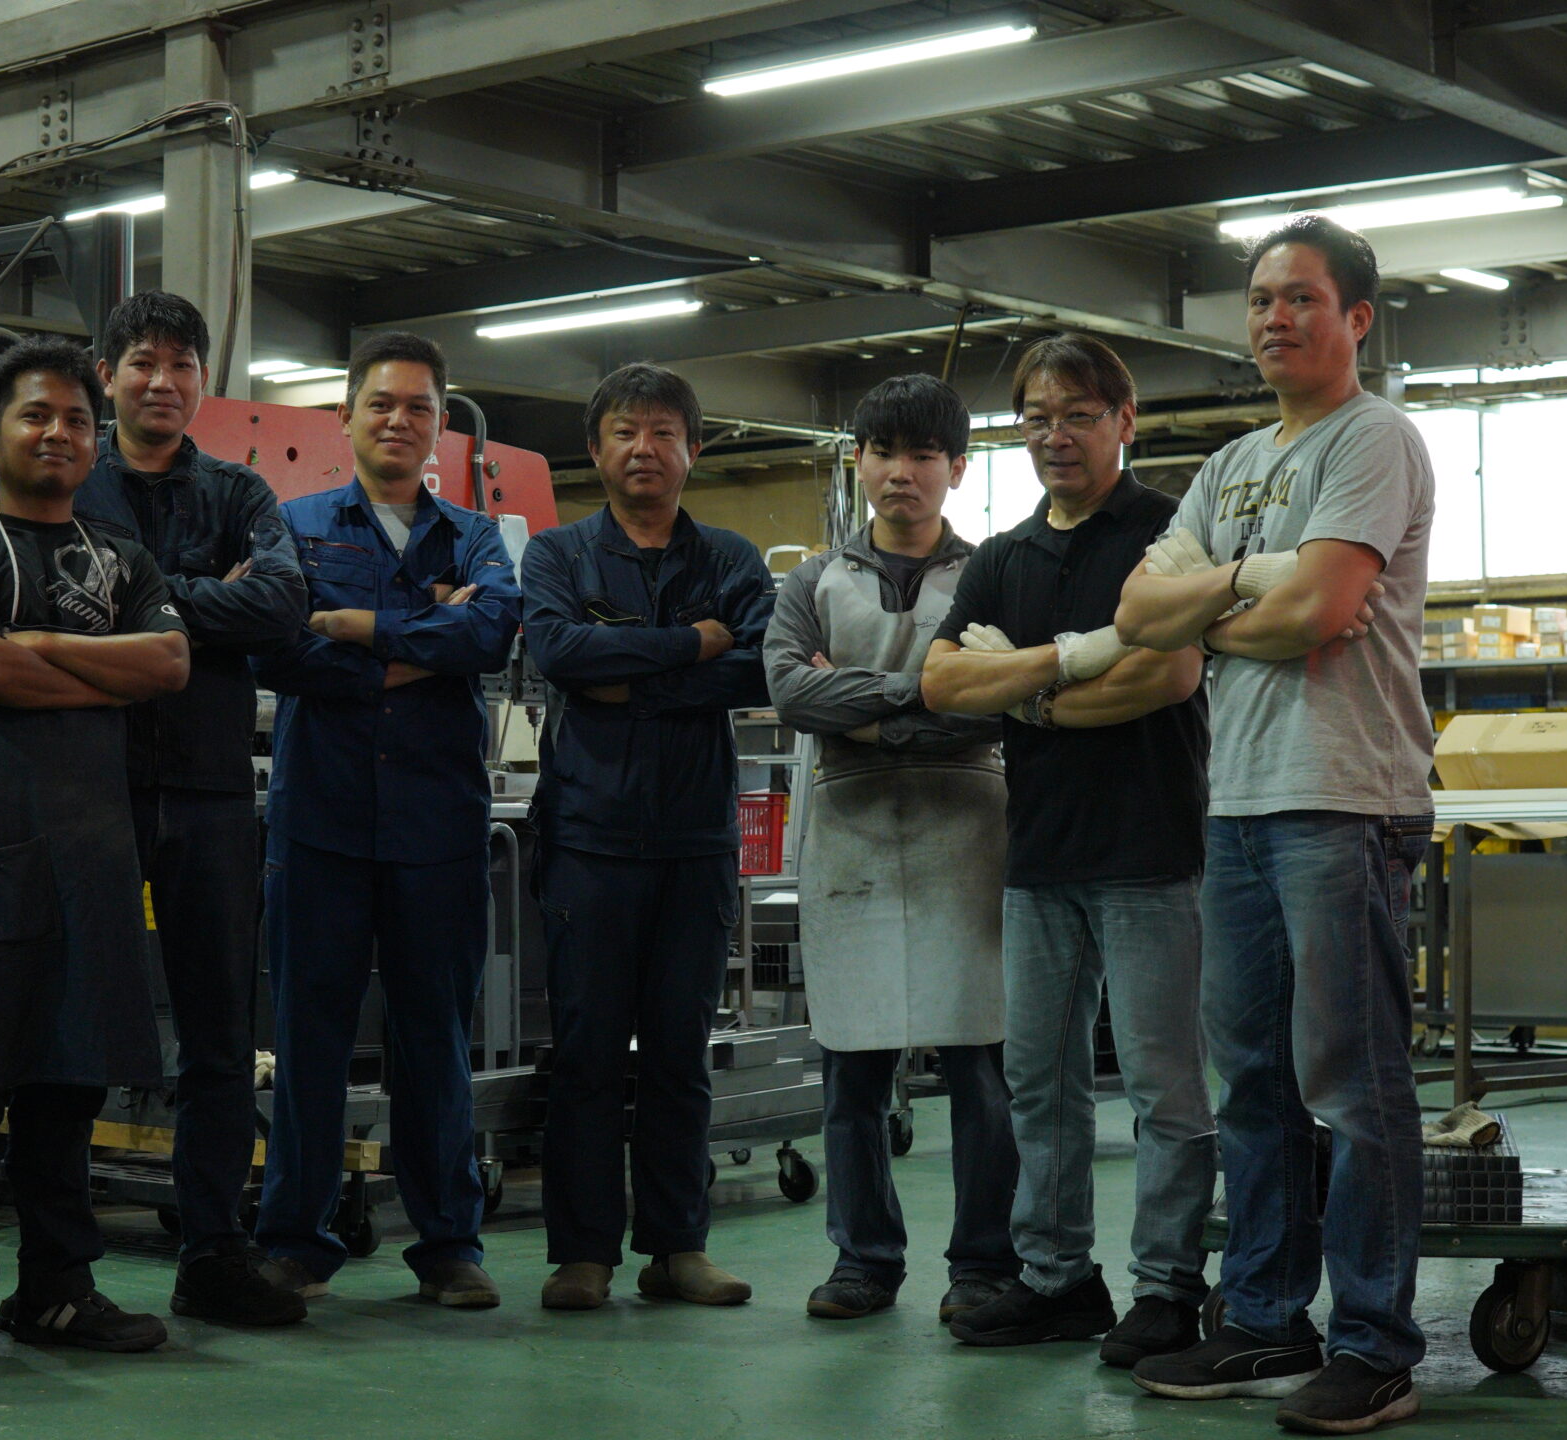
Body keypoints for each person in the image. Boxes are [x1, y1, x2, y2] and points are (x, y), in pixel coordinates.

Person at [1115, 215, 1432, 1435]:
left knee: (1351, 1085)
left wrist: (1212, 609)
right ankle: (1261, 1319)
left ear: (1355, 317)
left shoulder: (1374, 437)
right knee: (1249, 1081)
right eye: (1258, 300)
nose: (1273, 319)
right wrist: (1254, 583)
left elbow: (1323, 609)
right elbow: (1138, 612)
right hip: (1238, 800)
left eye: (1299, 297)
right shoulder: (1229, 463)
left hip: (1344, 798)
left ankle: (1375, 1345)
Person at [916, 334, 1215, 1367]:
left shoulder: (1168, 531)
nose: (1056, 436)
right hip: (1039, 856)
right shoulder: (1003, 557)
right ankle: (1056, 1280)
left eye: (1079, 415)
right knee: (1040, 1081)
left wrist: (1025, 692)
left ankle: (1167, 1287)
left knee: (1163, 1087)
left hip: (1151, 849)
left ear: (1123, 421)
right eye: (1037, 418)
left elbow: (1166, 675)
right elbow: (942, 683)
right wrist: (1076, 663)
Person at [0, 336, 193, 1366]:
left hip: (92, 847)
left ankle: (58, 1289)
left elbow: (170, 663)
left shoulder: (123, 556)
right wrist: (94, 671)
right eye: (36, 415)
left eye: (76, 419)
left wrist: (43, 647)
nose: (59, 433)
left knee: (73, 1075)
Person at [251, 330, 522, 1308]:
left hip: (436, 826)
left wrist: (358, 627)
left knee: (434, 1039)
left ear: (440, 425)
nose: (399, 421)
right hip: (319, 822)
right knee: (309, 1038)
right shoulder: (293, 526)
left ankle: (449, 1245)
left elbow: (491, 630)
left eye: (418, 408)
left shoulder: (474, 536)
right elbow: (276, 651)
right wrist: (421, 647)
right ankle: (294, 1241)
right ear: (347, 417)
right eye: (382, 403)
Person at [762, 374, 1019, 1329]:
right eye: (882, 451)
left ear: (957, 468)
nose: (900, 471)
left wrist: (862, 707)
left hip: (970, 833)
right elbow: (790, 691)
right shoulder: (812, 582)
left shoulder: (996, 575)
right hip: (851, 840)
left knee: (982, 1069)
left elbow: (1007, 701)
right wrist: (930, 692)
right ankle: (863, 1259)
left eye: (922, 454)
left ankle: (984, 1262)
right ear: (858, 461)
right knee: (853, 1065)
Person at [74, 292, 309, 1327]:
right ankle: (60, 1263)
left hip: (212, 793)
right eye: (142, 362)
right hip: (93, 785)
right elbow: (51, 599)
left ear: (202, 380)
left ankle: (212, 1251)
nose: (162, 381)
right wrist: (205, 594)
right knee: (78, 1026)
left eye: (181, 364)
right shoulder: (70, 482)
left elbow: (282, 605)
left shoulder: (240, 490)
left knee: (218, 1038)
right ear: (108, 374)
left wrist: (139, 601)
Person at [520, 362, 772, 1312]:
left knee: (677, 1051)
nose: (644, 448)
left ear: (693, 450)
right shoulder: (557, 555)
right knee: (587, 1053)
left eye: (664, 432)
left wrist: (627, 678)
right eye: (625, 431)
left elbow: (761, 669)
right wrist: (690, 643)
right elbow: (558, 653)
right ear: (596, 450)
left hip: (695, 842)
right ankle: (582, 1254)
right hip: (587, 838)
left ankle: (677, 1247)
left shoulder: (732, 559)